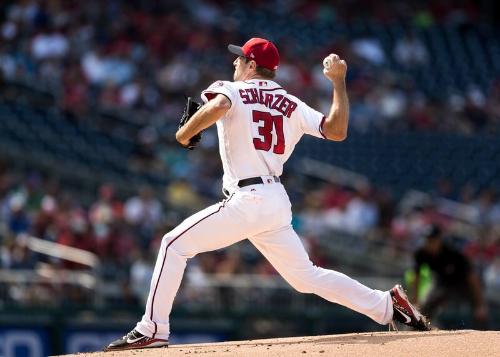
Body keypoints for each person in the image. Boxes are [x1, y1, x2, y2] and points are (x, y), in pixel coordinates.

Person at [105, 37, 429, 351]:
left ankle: (152, 329)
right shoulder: (291, 102)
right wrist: (338, 82)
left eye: (240, 57)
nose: (234, 61)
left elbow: (219, 105)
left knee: (173, 245)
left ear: (251, 65)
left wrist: (185, 132)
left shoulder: (233, 88)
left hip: (248, 198)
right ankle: (387, 305)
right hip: (275, 201)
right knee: (306, 277)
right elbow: (337, 130)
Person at [412, 225, 488, 328]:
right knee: (422, 308)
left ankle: (487, 335)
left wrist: (479, 304)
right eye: (427, 240)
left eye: (432, 240)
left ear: (439, 240)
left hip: (463, 284)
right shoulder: (421, 253)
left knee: (479, 312)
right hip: (442, 282)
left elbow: (472, 278)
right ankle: (413, 330)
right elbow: (417, 278)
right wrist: (416, 302)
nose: (429, 243)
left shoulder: (453, 252)